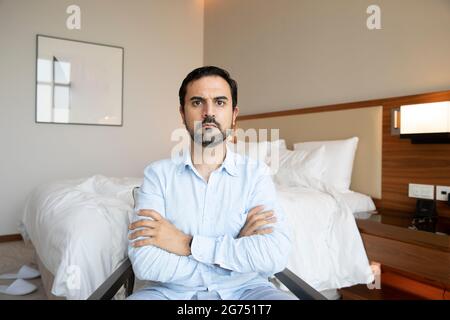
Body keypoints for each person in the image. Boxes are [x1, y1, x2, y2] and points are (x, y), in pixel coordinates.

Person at [127, 66, 295, 300]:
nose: (209, 112)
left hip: (248, 293)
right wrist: (232, 256)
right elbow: (146, 263)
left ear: (234, 114)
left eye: (220, 102)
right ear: (182, 113)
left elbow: (274, 255)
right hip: (170, 294)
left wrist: (186, 243)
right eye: (197, 102)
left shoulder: (256, 175)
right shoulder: (157, 175)